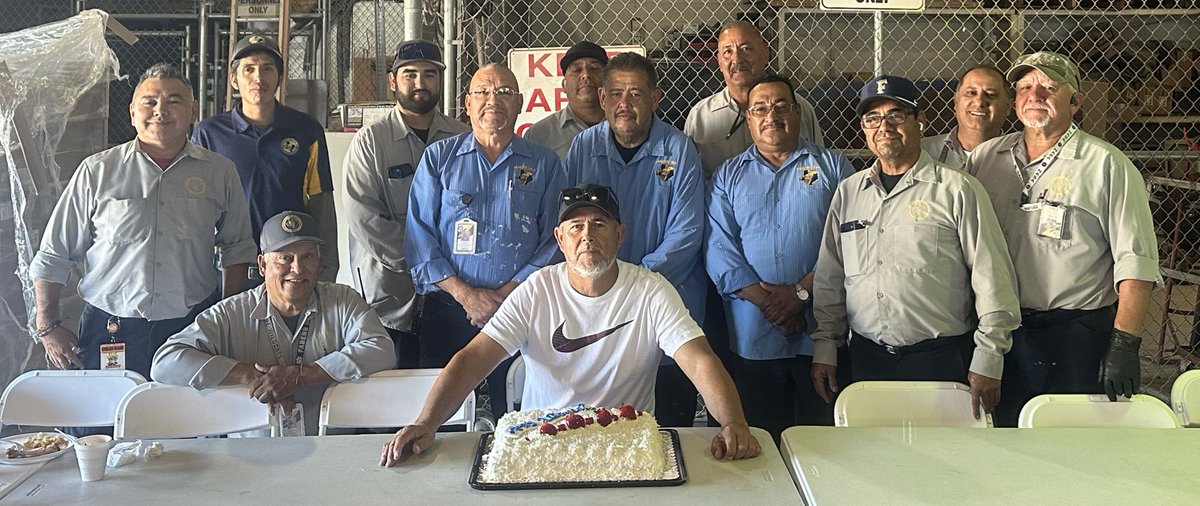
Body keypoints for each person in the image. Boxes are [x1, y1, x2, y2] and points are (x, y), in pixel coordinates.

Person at [380, 183, 760, 466]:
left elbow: (699, 359)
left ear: (620, 234)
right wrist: (426, 423)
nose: (587, 236)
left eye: (599, 224)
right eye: (575, 226)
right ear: (560, 239)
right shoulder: (536, 290)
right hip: (543, 445)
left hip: (626, 448)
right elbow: (473, 358)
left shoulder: (650, 290)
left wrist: (733, 422)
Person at [965, 52, 1161, 425]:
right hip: (1001, 333)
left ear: (1075, 101)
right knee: (1004, 436)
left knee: (1070, 440)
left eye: (1049, 87)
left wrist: (1125, 343)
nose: (1034, 95)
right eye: (1025, 87)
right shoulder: (985, 159)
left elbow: (1136, 263)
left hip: (1076, 335)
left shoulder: (1106, 164)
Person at [811, 75, 1020, 419]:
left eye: (896, 115)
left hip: (941, 360)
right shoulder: (849, 192)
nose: (884, 127)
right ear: (863, 128)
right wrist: (825, 346)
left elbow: (992, 278)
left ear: (919, 120)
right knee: (871, 448)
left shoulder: (957, 190)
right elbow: (831, 276)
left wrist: (989, 356)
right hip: (866, 359)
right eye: (873, 118)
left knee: (943, 450)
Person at [30, 63, 256, 381]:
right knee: (107, 412)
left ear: (193, 111)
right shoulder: (97, 171)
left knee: (185, 412)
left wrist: (227, 324)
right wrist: (47, 325)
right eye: (150, 101)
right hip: (110, 328)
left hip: (191, 327)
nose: (160, 110)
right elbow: (55, 253)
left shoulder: (220, 172)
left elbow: (237, 249)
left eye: (174, 100)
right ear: (133, 112)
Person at [406, 63, 565, 419]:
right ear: (467, 103)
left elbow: (555, 241)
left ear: (520, 102)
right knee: (439, 419)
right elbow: (419, 237)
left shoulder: (545, 163)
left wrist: (507, 295)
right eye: (483, 92)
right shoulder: (439, 158)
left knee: (520, 419)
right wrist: (466, 295)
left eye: (505, 92)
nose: (493, 100)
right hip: (448, 308)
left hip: (520, 310)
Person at [151, 211, 395, 435]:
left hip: (333, 451)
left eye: (308, 256)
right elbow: (165, 361)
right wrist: (248, 375)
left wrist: (304, 375)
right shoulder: (231, 312)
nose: (297, 269)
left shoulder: (343, 300)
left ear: (320, 263)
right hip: (251, 457)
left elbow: (382, 349)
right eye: (285, 258)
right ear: (262, 265)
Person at [705, 74, 854, 439]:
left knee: (823, 446)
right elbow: (719, 248)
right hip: (753, 337)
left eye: (780, 106)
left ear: (797, 112)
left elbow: (850, 242)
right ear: (748, 117)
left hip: (820, 336)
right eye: (759, 109)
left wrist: (801, 294)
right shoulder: (727, 176)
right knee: (761, 443)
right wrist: (771, 303)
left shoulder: (834, 168)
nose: (770, 116)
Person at [565, 52, 706, 427]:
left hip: (665, 305)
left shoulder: (679, 150)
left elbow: (687, 233)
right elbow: (572, 226)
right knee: (606, 429)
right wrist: (607, 287)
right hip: (599, 314)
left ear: (655, 98)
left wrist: (630, 284)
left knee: (670, 427)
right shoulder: (582, 149)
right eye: (615, 94)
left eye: (636, 94)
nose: (624, 104)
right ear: (602, 98)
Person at [342, 40, 468, 368]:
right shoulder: (371, 141)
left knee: (447, 383)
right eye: (409, 74)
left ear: (440, 80)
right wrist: (426, 265)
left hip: (453, 294)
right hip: (392, 296)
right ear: (393, 81)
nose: (419, 83)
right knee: (392, 386)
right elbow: (366, 219)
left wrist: (449, 274)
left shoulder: (463, 138)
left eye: (429, 74)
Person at [192, 35, 337, 282]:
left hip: (290, 268)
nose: (258, 78)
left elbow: (321, 205)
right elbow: (196, 207)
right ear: (234, 80)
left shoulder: (306, 130)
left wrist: (327, 269)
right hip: (228, 267)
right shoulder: (209, 134)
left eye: (267, 69)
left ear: (280, 78)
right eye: (249, 69)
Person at [684, 20, 822, 178]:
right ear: (720, 62)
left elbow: (818, 166)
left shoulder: (796, 108)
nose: (737, 59)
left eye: (746, 49)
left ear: (765, 53)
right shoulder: (700, 116)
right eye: (728, 51)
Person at [524, 41, 609, 158]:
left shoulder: (626, 126)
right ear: (564, 85)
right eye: (577, 70)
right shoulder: (538, 135)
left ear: (609, 81)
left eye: (594, 68)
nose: (586, 75)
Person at [921, 65, 1012, 169]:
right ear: (956, 102)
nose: (979, 102)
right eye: (971, 93)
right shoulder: (921, 153)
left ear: (1008, 107)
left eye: (991, 94)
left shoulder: (1020, 158)